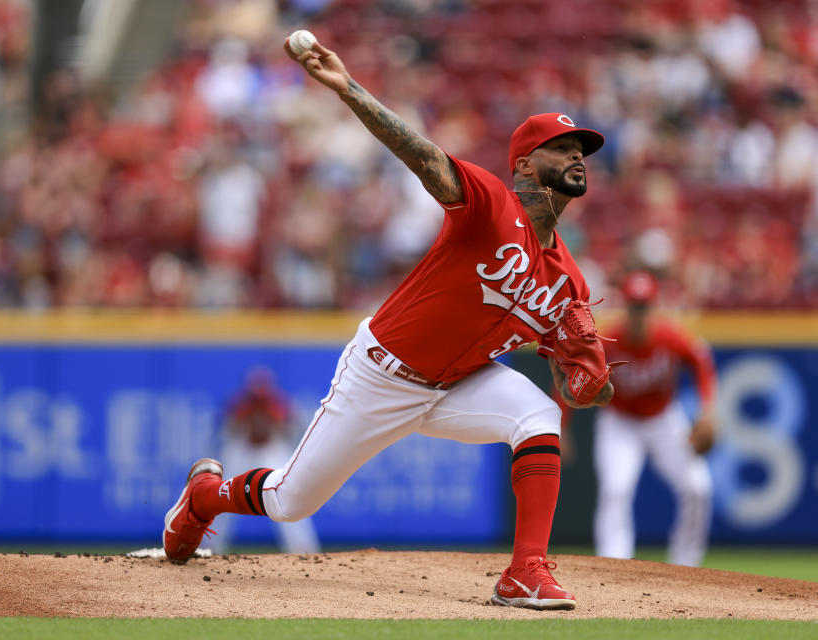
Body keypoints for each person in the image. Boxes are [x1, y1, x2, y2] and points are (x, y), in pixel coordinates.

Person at [163, 36, 615, 611]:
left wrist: (590, 384)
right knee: (289, 502)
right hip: (382, 375)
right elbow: (421, 154)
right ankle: (204, 496)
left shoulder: (569, 281)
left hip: (458, 384)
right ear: (525, 163)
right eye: (562, 146)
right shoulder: (490, 204)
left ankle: (525, 571)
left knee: (538, 415)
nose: (578, 155)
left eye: (582, 148)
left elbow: (576, 389)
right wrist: (347, 88)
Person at [593, 270, 716, 567]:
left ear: (654, 306)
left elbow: (700, 361)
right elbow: (572, 379)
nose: (639, 313)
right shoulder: (609, 341)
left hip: (663, 420)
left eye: (645, 306)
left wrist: (707, 409)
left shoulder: (669, 336)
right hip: (620, 423)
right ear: (625, 306)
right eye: (635, 306)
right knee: (615, 489)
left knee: (698, 489)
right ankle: (613, 565)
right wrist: (565, 425)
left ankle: (687, 565)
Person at [209, 367, 320, 554]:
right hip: (243, 449)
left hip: (271, 449)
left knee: (288, 496)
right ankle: (211, 547)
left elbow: (296, 430)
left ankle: (303, 548)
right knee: (224, 495)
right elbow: (225, 431)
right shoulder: (239, 405)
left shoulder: (281, 404)